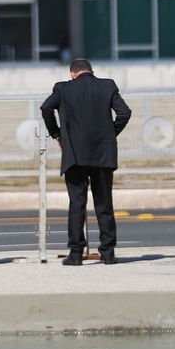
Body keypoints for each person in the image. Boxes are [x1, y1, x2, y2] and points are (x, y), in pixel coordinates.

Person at [40, 58, 132, 265]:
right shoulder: (107, 85)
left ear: (72, 73)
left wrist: (57, 134)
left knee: (77, 204)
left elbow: (46, 108)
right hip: (102, 154)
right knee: (104, 203)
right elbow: (125, 113)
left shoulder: (63, 88)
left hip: (75, 154)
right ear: (92, 71)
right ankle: (107, 253)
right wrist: (111, 133)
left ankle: (75, 253)